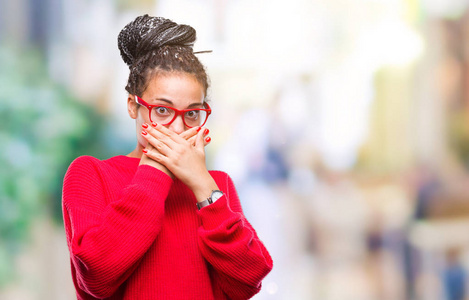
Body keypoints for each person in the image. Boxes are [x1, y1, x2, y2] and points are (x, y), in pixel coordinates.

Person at [62, 15, 273, 300]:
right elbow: (97, 277)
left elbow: (248, 281)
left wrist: (202, 185)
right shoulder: (91, 174)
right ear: (133, 106)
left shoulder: (215, 185)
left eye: (192, 114)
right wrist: (155, 173)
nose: (177, 127)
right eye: (162, 110)